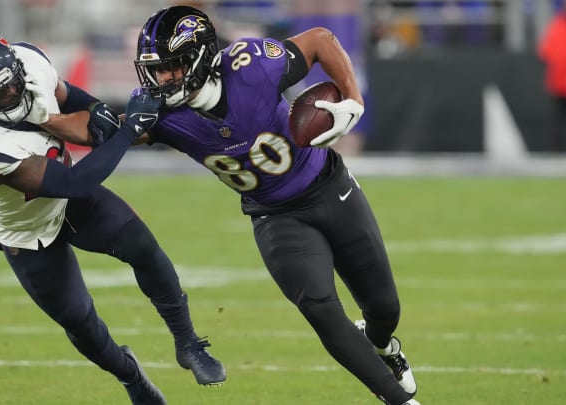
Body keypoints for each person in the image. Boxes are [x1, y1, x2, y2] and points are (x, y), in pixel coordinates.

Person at [131, 6, 419, 405]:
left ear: (199, 58)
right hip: (275, 214)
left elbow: (320, 39)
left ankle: (384, 345)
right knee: (321, 307)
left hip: (327, 184)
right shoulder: (155, 111)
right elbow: (97, 130)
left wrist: (353, 98)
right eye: (156, 69)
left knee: (384, 308)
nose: (163, 78)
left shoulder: (250, 66)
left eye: (173, 66)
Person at [0, 31, 225, 404]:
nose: (15, 90)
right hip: (27, 231)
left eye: (14, 80)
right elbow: (76, 182)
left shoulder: (27, 60)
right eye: (2, 92)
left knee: (142, 245)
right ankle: (132, 378)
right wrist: (128, 130)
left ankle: (188, 343)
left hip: (70, 198)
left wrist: (97, 112)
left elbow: (66, 94)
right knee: (80, 321)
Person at [538, 0, 566, 152]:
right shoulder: (557, 25)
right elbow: (546, 51)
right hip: (560, 83)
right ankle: (558, 152)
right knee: (559, 121)